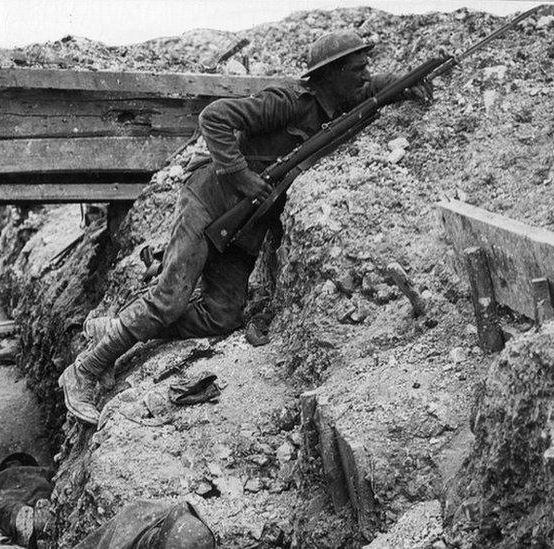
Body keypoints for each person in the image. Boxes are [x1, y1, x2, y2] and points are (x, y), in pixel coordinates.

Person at [59, 31, 433, 425]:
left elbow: (373, 89)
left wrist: (408, 82)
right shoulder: (288, 101)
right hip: (210, 201)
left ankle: (120, 328)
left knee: (222, 317)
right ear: (332, 73)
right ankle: (84, 371)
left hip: (242, 227)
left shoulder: (337, 104)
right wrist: (240, 175)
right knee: (169, 300)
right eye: (357, 68)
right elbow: (214, 117)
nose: (364, 74)